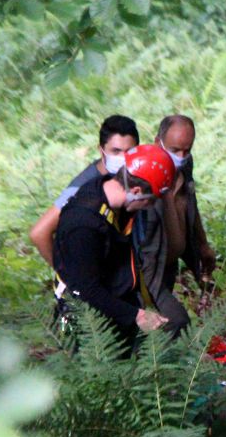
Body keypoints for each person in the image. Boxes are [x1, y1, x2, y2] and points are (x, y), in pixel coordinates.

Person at [53, 144, 174, 354]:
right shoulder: (83, 224)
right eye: (150, 201)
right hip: (88, 323)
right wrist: (137, 315)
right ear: (136, 191)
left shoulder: (108, 195)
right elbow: (86, 289)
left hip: (115, 306)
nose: (148, 207)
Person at [132, 115, 215, 335]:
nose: (181, 156)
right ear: (157, 141)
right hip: (148, 269)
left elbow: (190, 204)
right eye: (175, 149)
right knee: (175, 321)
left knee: (160, 325)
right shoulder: (143, 172)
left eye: (187, 150)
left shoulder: (185, 165)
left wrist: (202, 245)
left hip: (168, 265)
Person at [30, 115, 140, 266]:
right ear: (101, 151)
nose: (123, 158)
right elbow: (39, 233)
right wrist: (66, 273)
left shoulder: (136, 174)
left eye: (129, 151)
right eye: (116, 151)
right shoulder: (82, 187)